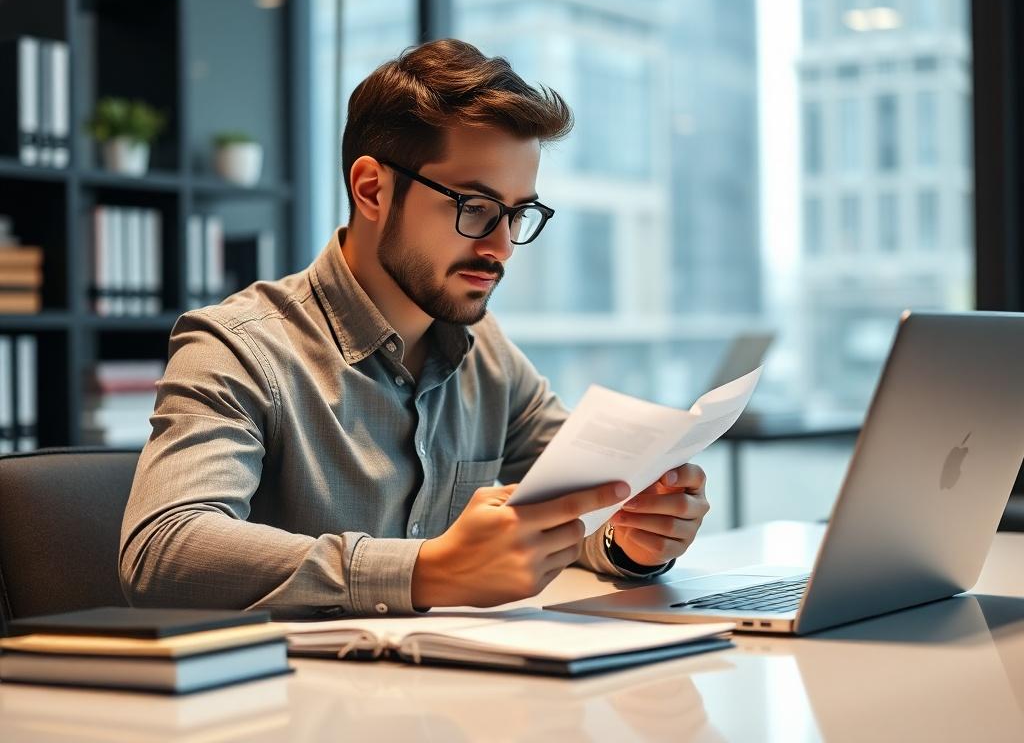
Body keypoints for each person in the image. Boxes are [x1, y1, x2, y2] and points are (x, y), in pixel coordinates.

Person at [119, 39, 710, 618]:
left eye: (518, 213)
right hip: (290, 707)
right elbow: (163, 549)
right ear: (372, 189)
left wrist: (628, 538)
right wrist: (427, 570)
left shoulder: (486, 353)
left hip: (450, 698)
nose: (501, 246)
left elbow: (571, 509)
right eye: (474, 208)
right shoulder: (236, 348)